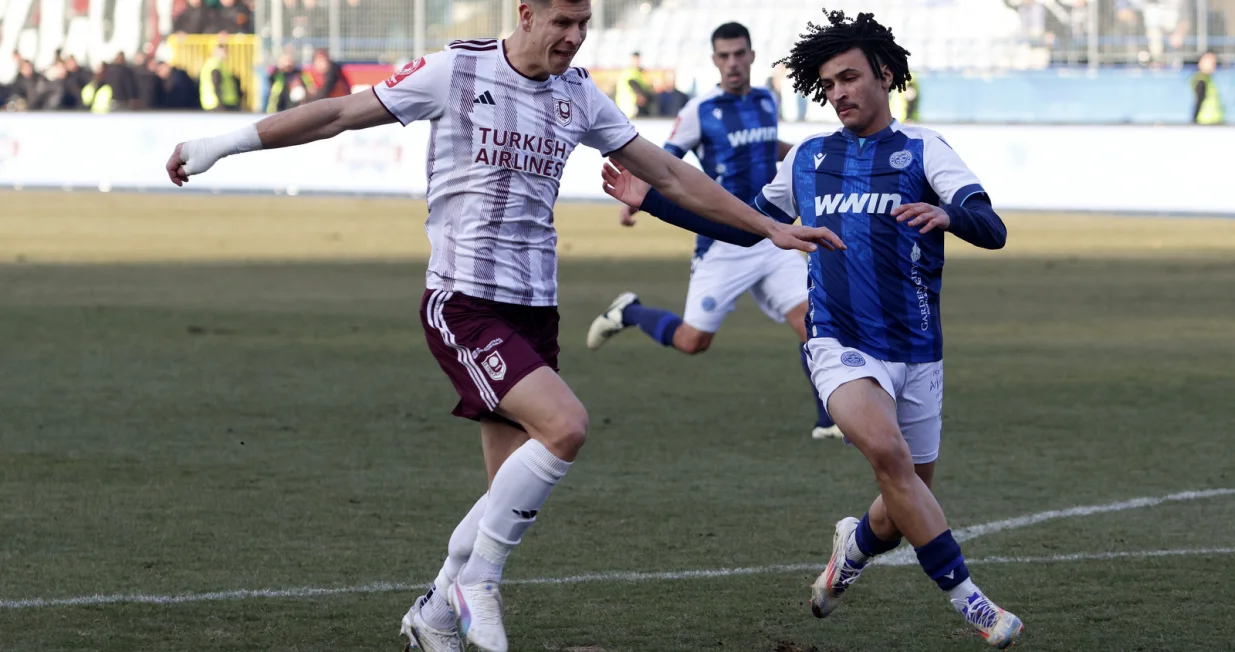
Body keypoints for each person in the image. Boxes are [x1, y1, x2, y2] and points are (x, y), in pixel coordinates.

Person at [162, 2, 842, 651]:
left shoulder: (579, 94)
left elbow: (666, 171)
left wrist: (768, 228)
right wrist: (222, 142)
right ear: (525, 13)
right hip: (463, 301)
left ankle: (433, 610)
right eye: (563, 21)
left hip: (534, 305)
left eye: (584, 23)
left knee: (506, 490)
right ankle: (478, 584)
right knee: (566, 426)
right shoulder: (456, 69)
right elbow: (339, 112)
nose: (575, 36)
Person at [599, 9, 1023, 649]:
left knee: (902, 503)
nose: (840, 93)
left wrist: (948, 214)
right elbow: (746, 226)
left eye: (850, 78)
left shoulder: (925, 149)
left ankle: (849, 552)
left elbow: (991, 228)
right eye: (828, 85)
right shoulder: (808, 158)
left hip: (919, 351)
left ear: (884, 75)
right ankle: (973, 604)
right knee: (887, 455)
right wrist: (651, 201)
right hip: (840, 344)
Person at [587, 21, 842, 441]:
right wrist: (634, 203)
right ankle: (629, 311)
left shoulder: (765, 100)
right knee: (692, 341)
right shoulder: (699, 111)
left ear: (752, 56)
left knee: (810, 323)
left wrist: (803, 156)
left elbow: (765, 147)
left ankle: (827, 421)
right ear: (714, 61)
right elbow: (665, 162)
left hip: (770, 234)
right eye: (724, 56)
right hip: (722, 241)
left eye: (739, 53)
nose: (733, 63)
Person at [200, 45, 241, 111]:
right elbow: (215, 82)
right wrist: (219, 102)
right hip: (219, 104)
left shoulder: (214, 64)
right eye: (224, 51)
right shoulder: (215, 64)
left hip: (215, 103)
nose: (227, 53)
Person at [1192, 51, 1224, 125]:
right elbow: (1199, 98)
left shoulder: (1210, 78)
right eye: (1210, 62)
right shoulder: (1201, 78)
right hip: (1206, 121)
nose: (1213, 64)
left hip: (1215, 119)